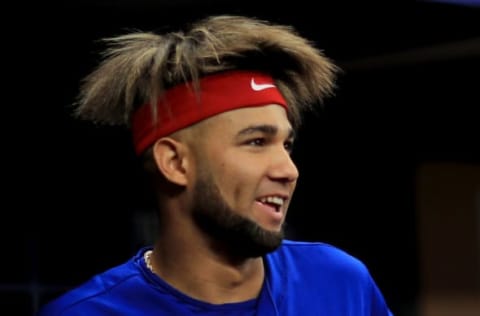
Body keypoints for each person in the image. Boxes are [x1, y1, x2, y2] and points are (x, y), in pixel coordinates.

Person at [39, 15, 393, 315]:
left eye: (286, 145)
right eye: (256, 142)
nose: (289, 170)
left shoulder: (340, 283)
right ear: (175, 162)